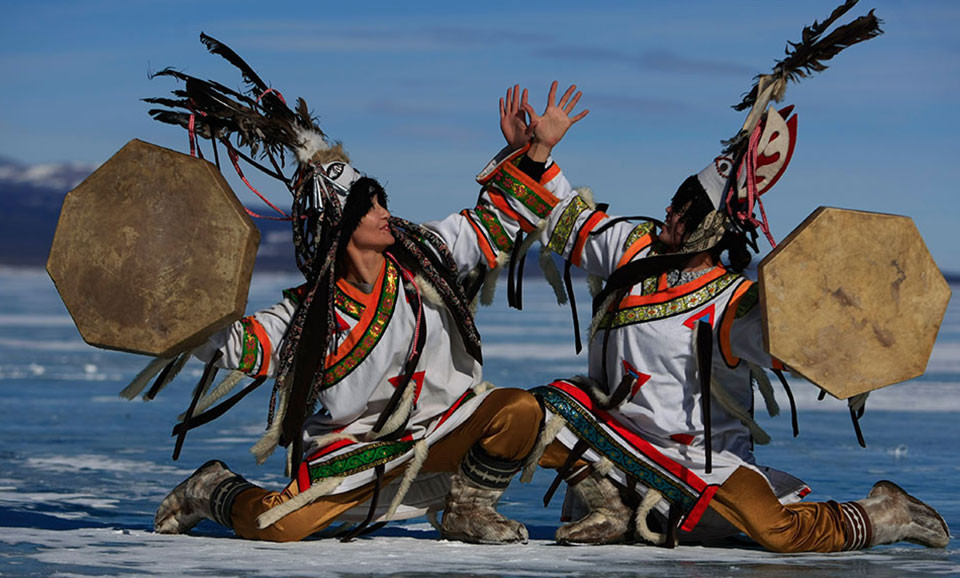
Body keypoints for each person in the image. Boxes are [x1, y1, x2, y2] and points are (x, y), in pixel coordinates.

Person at [475, 82, 951, 552]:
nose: (667, 210)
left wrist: (857, 318)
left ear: (703, 228)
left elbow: (799, 343)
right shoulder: (632, 249)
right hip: (615, 445)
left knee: (779, 534)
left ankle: (888, 512)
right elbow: (563, 215)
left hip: (703, 463)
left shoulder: (733, 302)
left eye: (679, 209)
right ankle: (613, 508)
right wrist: (535, 148)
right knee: (546, 410)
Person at [151, 76, 590, 544]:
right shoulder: (307, 315)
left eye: (382, 200)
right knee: (277, 527)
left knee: (520, 410)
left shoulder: (425, 253)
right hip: (357, 452)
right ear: (338, 226)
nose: (385, 212)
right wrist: (165, 309)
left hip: (446, 425)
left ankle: (469, 509)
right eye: (369, 206)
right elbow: (237, 344)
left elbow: (493, 222)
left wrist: (536, 151)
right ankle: (211, 487)